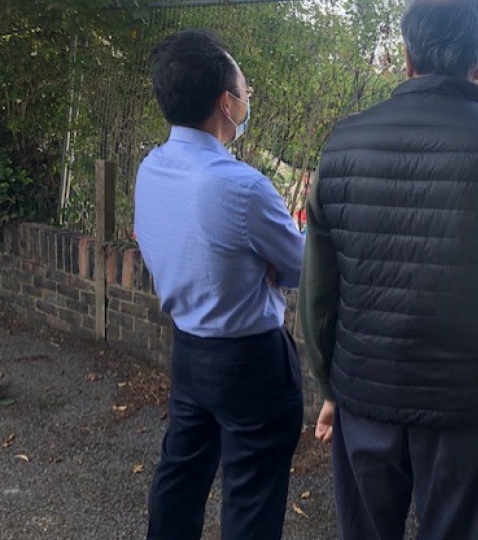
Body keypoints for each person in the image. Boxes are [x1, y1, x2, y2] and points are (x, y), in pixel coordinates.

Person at [300, 0, 478, 537]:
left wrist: (330, 386)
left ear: (406, 57)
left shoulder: (342, 142)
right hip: (462, 409)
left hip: (364, 393)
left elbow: (318, 290)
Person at [134, 30, 304, 540]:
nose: (247, 100)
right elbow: (300, 266)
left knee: (180, 477)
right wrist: (277, 260)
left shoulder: (151, 168)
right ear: (226, 104)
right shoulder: (241, 186)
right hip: (251, 361)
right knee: (251, 495)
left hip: (188, 351)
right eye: (245, 92)